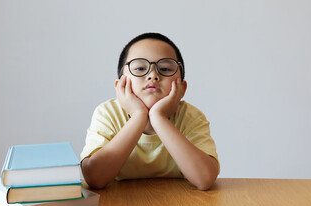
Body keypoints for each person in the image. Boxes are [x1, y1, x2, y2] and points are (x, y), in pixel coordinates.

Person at [80, 33, 219, 190]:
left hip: (181, 205)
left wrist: (158, 117)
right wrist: (139, 116)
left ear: (182, 88)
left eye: (165, 68)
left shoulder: (191, 117)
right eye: (140, 68)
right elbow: (94, 177)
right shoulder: (107, 113)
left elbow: (205, 179)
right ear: (120, 85)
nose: (153, 75)